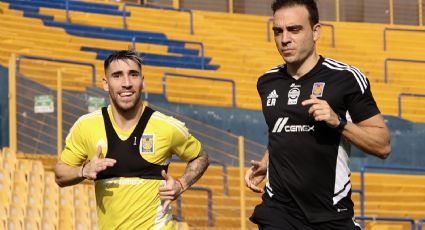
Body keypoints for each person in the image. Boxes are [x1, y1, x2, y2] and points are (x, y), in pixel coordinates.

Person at [245, 0, 391, 229]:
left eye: (294, 29)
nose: (284, 39)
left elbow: (383, 146)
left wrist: (338, 122)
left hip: (330, 214)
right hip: (278, 211)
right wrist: (266, 161)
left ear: (315, 31)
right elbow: (283, 128)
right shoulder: (267, 82)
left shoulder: (346, 78)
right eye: (278, 31)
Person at [54, 49, 209, 229]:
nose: (126, 83)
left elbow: (201, 156)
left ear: (142, 82)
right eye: (117, 76)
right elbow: (60, 174)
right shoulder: (86, 126)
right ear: (105, 83)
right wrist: (83, 171)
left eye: (133, 75)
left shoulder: (167, 127)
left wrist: (181, 184)